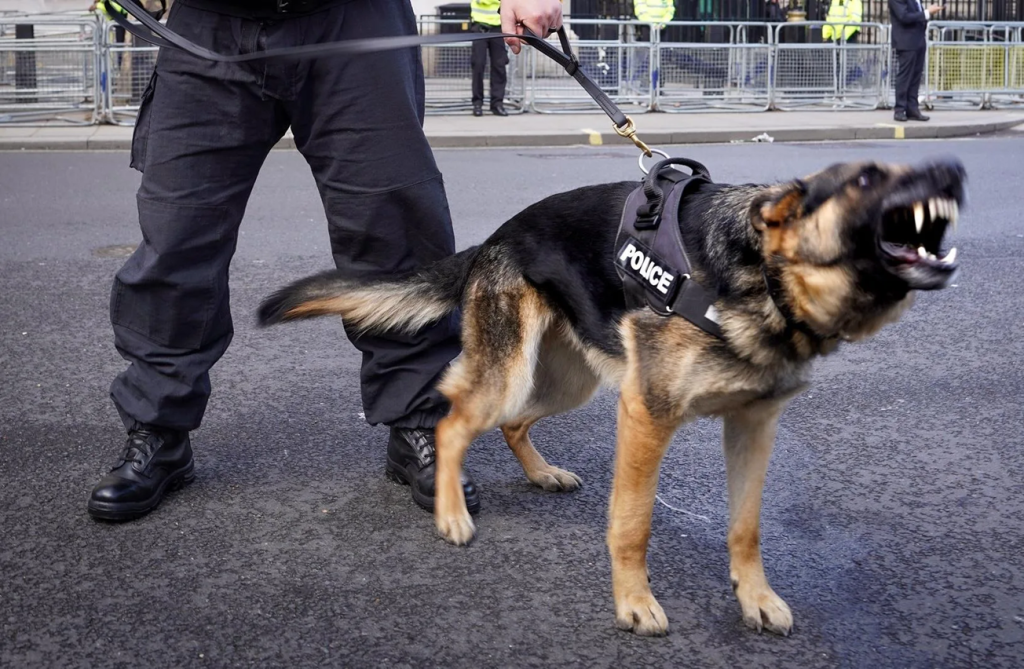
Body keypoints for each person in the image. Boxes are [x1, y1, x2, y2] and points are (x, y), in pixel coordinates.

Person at [86, 0, 563, 523]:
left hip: (356, 16)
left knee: (395, 233)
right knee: (177, 236)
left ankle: (417, 424)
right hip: (209, 23)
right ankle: (158, 429)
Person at [889, 0, 943, 121]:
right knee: (905, 77)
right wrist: (927, 13)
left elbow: (916, 15)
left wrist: (926, 14)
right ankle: (900, 109)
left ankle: (912, 108)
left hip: (918, 40)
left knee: (915, 77)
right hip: (906, 42)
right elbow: (903, 17)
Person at [470, 0, 509, 116]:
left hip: (498, 26)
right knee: (478, 65)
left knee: (499, 66)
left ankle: (497, 104)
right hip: (479, 26)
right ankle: (477, 103)